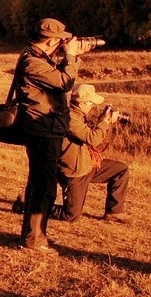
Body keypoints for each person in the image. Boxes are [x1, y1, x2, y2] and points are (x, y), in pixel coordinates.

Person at [15, 17, 94, 254]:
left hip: (47, 129)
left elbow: (58, 79)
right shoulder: (32, 62)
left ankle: (34, 237)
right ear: (51, 40)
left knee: (43, 185)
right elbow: (64, 82)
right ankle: (33, 240)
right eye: (60, 40)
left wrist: (72, 56)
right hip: (42, 131)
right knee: (43, 187)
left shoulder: (38, 58)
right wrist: (70, 56)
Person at [52, 84, 130, 223]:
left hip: (86, 165)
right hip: (74, 173)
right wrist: (105, 122)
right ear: (82, 103)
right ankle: (29, 205)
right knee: (70, 216)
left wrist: (102, 121)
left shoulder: (78, 115)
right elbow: (92, 139)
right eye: (91, 103)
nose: (93, 106)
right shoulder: (69, 119)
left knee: (121, 170)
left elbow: (87, 135)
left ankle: (114, 212)